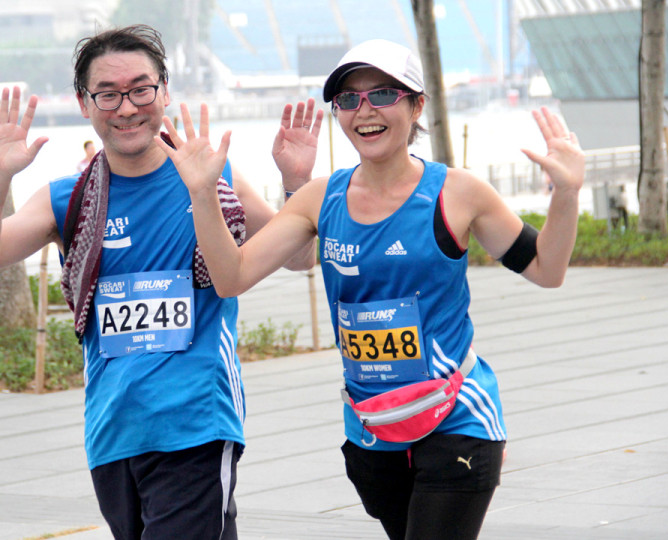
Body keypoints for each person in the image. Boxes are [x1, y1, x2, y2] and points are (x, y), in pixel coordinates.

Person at [158, 39, 585, 540]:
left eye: (382, 94)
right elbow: (231, 278)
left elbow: (545, 267)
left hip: (457, 419)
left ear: (416, 105)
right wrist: (203, 193)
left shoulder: (458, 193)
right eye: (348, 99)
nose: (365, 111)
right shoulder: (321, 198)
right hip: (371, 432)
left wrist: (568, 195)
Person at [0, 24, 319, 540]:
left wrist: (296, 184)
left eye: (140, 89)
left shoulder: (213, 178)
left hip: (197, 423)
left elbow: (300, 256)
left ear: (164, 92)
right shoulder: (69, 198)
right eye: (107, 93)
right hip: (113, 433)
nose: (126, 107)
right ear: (84, 104)